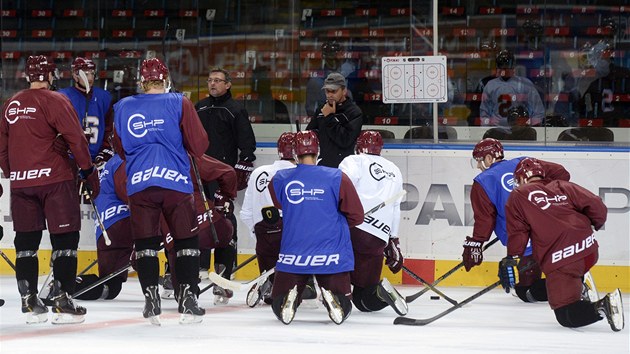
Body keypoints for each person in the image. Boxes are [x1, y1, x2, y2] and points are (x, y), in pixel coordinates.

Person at [0, 55, 99, 324]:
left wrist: (14, 174)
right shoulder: (56, 100)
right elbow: (76, 139)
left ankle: (29, 300)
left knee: (26, 243)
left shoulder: (11, 103)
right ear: (51, 75)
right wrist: (88, 171)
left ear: (28, 76)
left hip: (22, 183)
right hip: (54, 180)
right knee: (65, 240)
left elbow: (2, 147)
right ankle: (62, 299)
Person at [112, 57, 208, 325]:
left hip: (140, 184)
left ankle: (151, 298)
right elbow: (199, 145)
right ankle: (188, 299)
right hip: (175, 182)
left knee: (145, 243)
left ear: (142, 82)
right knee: (186, 241)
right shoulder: (179, 102)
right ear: (165, 79)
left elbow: (120, 148)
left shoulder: (122, 106)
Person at [501, 157, 624, 331]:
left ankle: (605, 306)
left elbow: (518, 233)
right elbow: (597, 205)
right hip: (589, 250)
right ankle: (579, 285)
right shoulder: (561, 185)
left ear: (521, 178)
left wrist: (513, 257)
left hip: (564, 258)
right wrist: (593, 225)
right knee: (565, 277)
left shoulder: (518, 195)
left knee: (566, 315)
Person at [267, 130, 364, 325]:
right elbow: (357, 215)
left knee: (278, 305)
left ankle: (290, 296)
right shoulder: (337, 177)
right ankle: (333, 296)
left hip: (294, 253)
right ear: (318, 151)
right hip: (331, 254)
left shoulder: (280, 178)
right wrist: (339, 222)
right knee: (344, 307)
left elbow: (280, 204)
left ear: (294, 153)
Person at [461, 138, 570, 304]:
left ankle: (569, 285)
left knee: (525, 290)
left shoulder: (482, 182)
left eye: (479, 161)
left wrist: (477, 242)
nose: (478, 166)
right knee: (542, 270)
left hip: (523, 242)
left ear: (489, 158)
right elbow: (562, 173)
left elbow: (485, 221)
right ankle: (571, 282)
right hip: (549, 232)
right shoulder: (523, 163)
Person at [195, 67, 257, 288]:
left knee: (226, 219)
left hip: (222, 177)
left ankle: (224, 271)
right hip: (200, 175)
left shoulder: (235, 109)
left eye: (218, 80)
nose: (213, 84)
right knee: (199, 219)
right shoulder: (199, 107)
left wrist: (242, 167)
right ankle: (199, 266)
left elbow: (248, 145)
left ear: (228, 84)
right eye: (210, 80)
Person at [338, 130, 408, 316]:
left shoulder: (353, 161)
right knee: (364, 298)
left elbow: (341, 188)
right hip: (378, 236)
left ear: (358, 146)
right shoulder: (394, 169)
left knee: (335, 271)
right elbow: (395, 208)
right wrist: (393, 239)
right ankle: (380, 292)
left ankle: (337, 295)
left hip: (353, 228)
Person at [161, 153, 238, 305]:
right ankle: (222, 281)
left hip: (175, 235)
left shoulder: (143, 164)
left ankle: (177, 281)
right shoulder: (186, 157)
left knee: (182, 293)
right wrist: (224, 198)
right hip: (206, 224)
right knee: (227, 231)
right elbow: (228, 172)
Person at [65, 151, 133, 301]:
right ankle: (173, 276)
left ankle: (67, 286)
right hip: (125, 224)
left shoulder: (110, 165)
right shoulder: (124, 160)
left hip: (105, 231)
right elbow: (132, 195)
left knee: (111, 287)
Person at [240, 132, 297, 306]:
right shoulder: (298, 174)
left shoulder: (259, 172)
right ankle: (300, 286)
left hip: (263, 235)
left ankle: (270, 284)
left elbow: (246, 213)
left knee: (272, 279)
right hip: (288, 238)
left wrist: (259, 235)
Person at [58, 57, 114, 166]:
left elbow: (108, 129)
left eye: (92, 73)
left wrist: (105, 151)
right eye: (85, 74)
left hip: (97, 160)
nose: (89, 78)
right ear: (75, 75)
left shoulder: (104, 97)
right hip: (70, 159)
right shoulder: (62, 97)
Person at [305, 72, 364, 168]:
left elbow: (345, 140)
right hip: (322, 166)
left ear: (344, 91)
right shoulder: (321, 109)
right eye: (327, 91)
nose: (329, 95)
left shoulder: (354, 112)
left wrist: (329, 117)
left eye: (334, 91)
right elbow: (309, 135)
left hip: (343, 168)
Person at [479, 49, 545, 127]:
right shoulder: (490, 85)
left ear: (513, 66)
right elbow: (484, 114)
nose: (505, 69)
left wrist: (529, 127)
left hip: (519, 129)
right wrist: (487, 126)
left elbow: (538, 112)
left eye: (507, 66)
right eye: (502, 66)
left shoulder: (525, 84)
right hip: (496, 129)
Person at [579, 40, 630, 128]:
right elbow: (583, 108)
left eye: (604, 57)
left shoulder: (624, 76)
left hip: (622, 127)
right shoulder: (591, 81)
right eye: (598, 57)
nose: (600, 61)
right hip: (599, 128)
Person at [305, 40, 355, 117]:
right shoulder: (315, 81)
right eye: (331, 57)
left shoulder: (350, 73)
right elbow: (311, 111)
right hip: (325, 122)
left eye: (336, 57)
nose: (334, 60)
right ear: (324, 57)